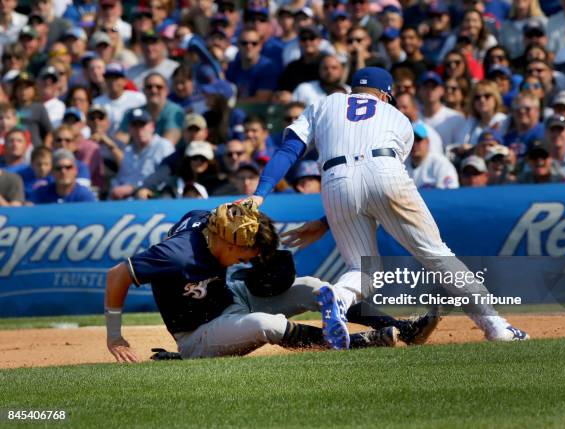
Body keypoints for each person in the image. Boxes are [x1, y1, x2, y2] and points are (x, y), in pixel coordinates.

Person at [247, 67, 529, 349]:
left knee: (361, 268)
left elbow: (289, 150)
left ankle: (340, 299)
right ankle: (495, 326)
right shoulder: (399, 118)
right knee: (437, 255)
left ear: (352, 89)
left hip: (334, 180)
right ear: (384, 95)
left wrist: (260, 196)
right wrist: (324, 221)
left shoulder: (325, 103)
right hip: (385, 169)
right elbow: (373, 178)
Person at [104, 201, 407, 361]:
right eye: (245, 255)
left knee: (315, 287)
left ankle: (401, 329)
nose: (249, 261)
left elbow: (232, 212)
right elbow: (117, 275)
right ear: (229, 243)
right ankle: (356, 344)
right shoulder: (178, 255)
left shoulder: (212, 221)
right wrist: (115, 336)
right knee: (267, 324)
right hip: (198, 334)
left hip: (230, 297)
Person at [110, 108, 174, 200]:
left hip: (155, 197)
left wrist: (133, 188)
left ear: (152, 126)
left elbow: (168, 178)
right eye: (135, 125)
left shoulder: (163, 146)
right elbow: (121, 179)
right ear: (129, 129)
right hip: (126, 201)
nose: (139, 130)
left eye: (142, 125)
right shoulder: (128, 151)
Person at [418, 71, 467, 150]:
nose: (430, 90)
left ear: (442, 90)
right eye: (426, 86)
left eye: (433, 86)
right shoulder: (414, 117)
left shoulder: (456, 118)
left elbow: (459, 147)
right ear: (419, 90)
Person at [30, 149, 96, 204]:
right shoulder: (40, 194)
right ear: (52, 171)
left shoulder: (85, 196)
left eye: (68, 167)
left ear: (75, 170)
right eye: (58, 168)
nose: (63, 171)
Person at [404, 123, 458, 190]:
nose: (414, 144)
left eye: (418, 139)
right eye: (410, 140)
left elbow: (448, 196)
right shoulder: (402, 165)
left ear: (427, 141)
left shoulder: (441, 164)